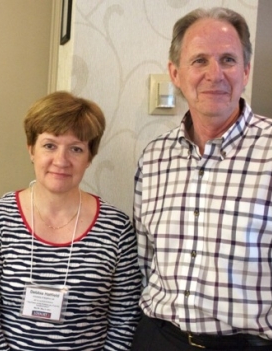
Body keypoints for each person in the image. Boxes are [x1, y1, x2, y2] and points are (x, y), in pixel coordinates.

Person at [132, 7, 272, 351]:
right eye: (199, 61)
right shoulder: (154, 157)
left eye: (227, 59)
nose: (214, 74)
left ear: (246, 71)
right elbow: (145, 260)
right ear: (175, 73)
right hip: (158, 339)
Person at [0, 91, 141, 351]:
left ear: (89, 158)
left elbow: (124, 321)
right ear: (31, 149)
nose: (61, 160)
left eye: (76, 149)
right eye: (49, 145)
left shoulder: (116, 228)